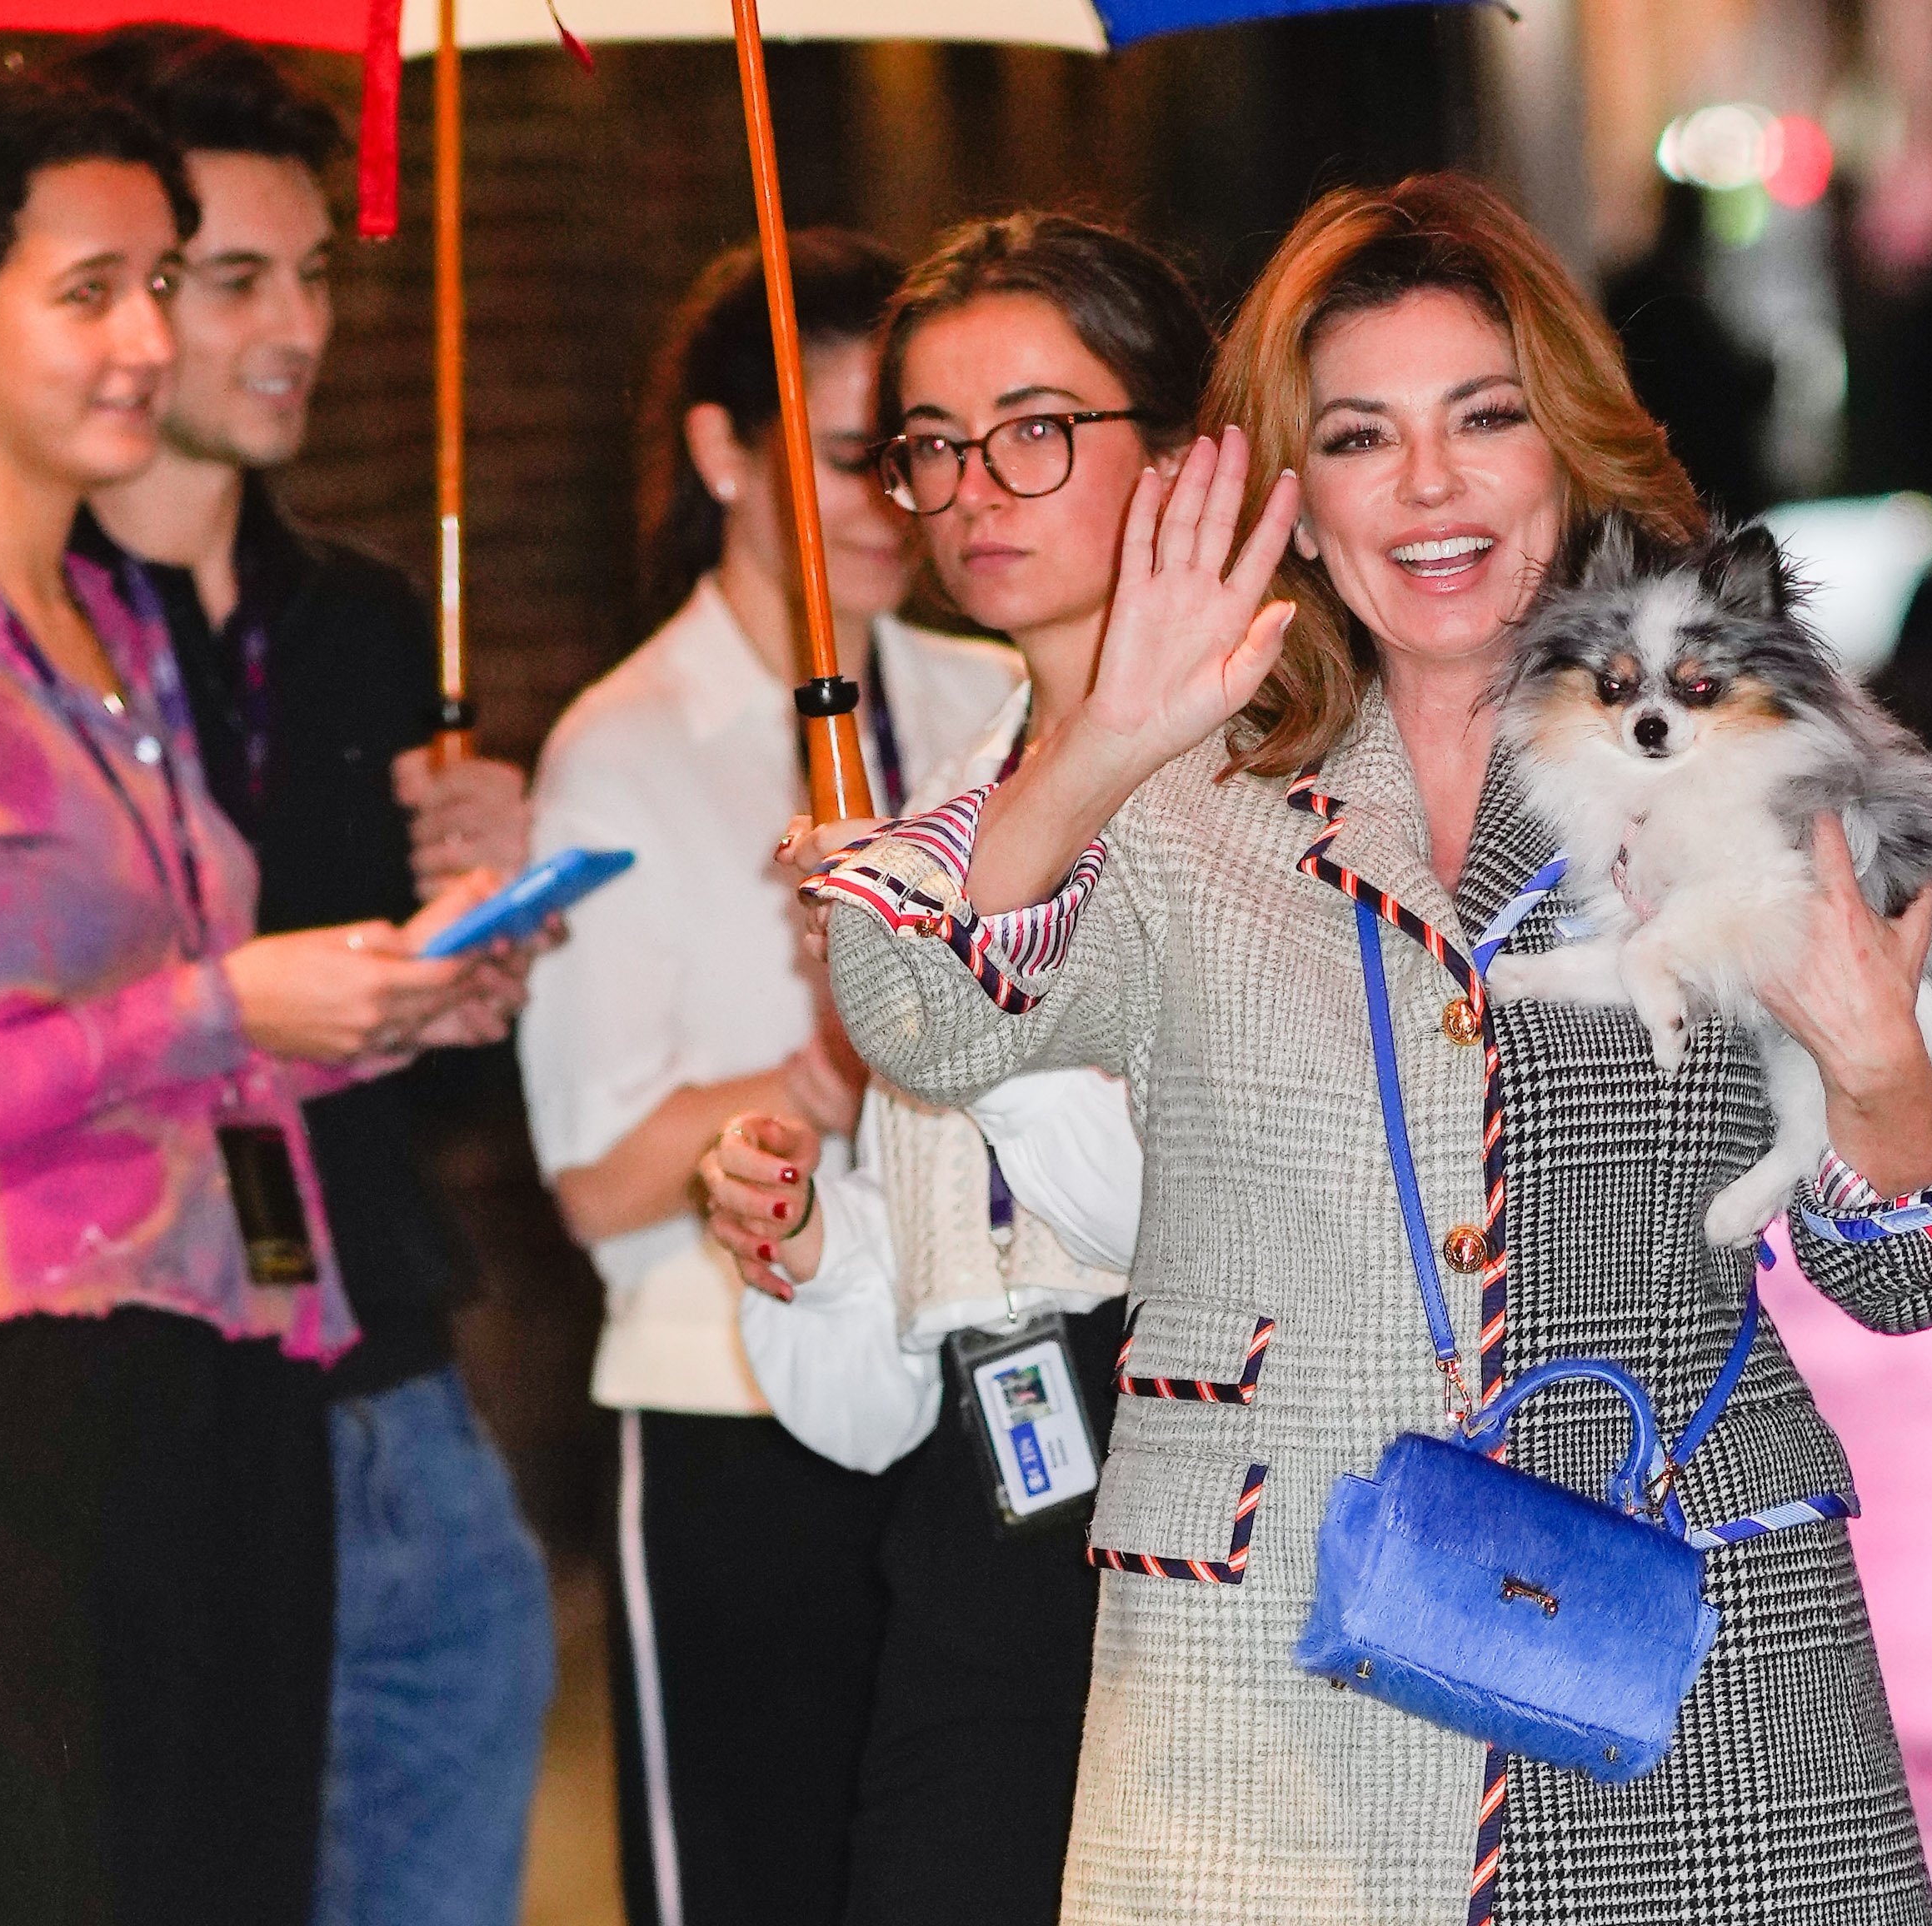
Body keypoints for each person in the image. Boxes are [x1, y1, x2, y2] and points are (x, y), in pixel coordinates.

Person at [800, 172, 1932, 1925]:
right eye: (1363, 437)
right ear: (1297, 489)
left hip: (1688, 1664)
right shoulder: (1177, 791)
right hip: (1267, 1675)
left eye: (1486, 419)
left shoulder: (1742, 749)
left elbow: (1910, 1281)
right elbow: (915, 1006)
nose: (1431, 487)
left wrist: (1881, 1072)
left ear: (1568, 448)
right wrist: (1099, 738)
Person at [0, 76, 512, 1926]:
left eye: (163, 283)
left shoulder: (124, 632)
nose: (150, 340)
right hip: (12, 1388)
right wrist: (221, 1006)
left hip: (249, 1372)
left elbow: (214, 1023)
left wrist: (400, 1002)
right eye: (90, 293)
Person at [59, 27, 555, 1926]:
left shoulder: (358, 620)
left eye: (315, 274)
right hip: (139, 1408)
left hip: (397, 1397)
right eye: (233, 278)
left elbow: (431, 1086)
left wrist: (476, 951)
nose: (298, 326)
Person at [515, 229, 1029, 1926]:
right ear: (723, 453)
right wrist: (835, 1052)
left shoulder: (992, 694)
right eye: (837, 458)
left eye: (913, 450)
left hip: (969, 1377)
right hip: (732, 1399)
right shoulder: (625, 742)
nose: (891, 500)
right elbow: (595, 1173)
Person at [693, 209, 1196, 1926]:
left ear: (1184, 450)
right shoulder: (956, 789)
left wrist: (952, 974)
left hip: (1206, 1525)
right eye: (931, 444)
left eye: (1039, 428)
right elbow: (881, 1395)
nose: (976, 484)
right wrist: (816, 1244)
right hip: (981, 1544)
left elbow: (1191, 1200)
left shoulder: (1264, 780)